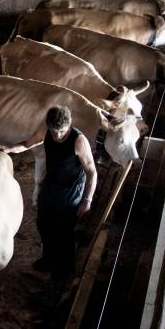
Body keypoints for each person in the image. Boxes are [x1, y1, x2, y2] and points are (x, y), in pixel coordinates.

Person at [32, 106, 97, 280]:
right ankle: (48, 259)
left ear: (69, 125)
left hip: (71, 188)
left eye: (61, 131)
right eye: (53, 131)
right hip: (52, 183)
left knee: (63, 230)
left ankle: (64, 269)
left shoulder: (78, 141)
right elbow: (27, 142)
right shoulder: (47, 132)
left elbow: (92, 171)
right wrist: (8, 148)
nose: (57, 135)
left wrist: (87, 200)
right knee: (43, 223)